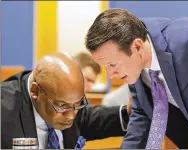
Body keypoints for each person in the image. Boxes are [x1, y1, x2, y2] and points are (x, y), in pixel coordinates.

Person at [85, 8, 188, 149]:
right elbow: (141, 117)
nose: (110, 74)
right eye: (105, 67)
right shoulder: (135, 69)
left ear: (137, 46)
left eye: (112, 64)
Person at [1, 52, 130, 149]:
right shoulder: (4, 111)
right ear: (35, 92)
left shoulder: (72, 108)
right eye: (62, 106)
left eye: (78, 104)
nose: (71, 116)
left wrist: (128, 112)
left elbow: (89, 117)